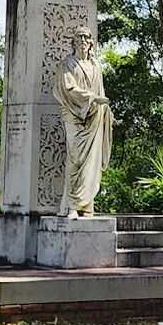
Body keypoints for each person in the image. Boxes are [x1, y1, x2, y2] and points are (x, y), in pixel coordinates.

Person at [53, 25, 113, 218]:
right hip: (74, 115)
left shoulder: (96, 66)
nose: (82, 42)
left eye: (86, 39)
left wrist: (107, 114)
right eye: (78, 39)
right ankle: (71, 205)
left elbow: (101, 93)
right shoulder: (67, 64)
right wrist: (92, 98)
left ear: (91, 43)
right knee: (76, 159)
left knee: (91, 162)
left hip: (94, 116)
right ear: (74, 43)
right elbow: (68, 89)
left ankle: (86, 205)